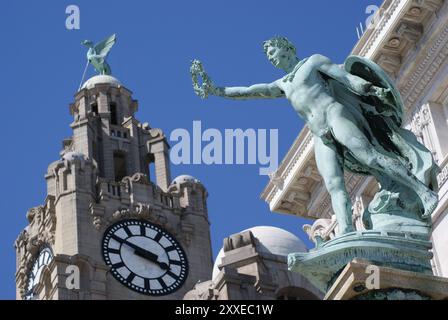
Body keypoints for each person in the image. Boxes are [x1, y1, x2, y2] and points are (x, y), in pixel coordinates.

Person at [192, 36, 438, 235]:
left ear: (286, 48)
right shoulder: (282, 84)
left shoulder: (312, 62)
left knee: (371, 158)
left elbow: (345, 77)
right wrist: (216, 90)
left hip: (335, 115)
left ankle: (422, 192)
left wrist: (371, 88)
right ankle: (348, 232)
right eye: (268, 56)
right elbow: (250, 91)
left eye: (272, 52)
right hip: (319, 133)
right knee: (333, 184)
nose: (270, 58)